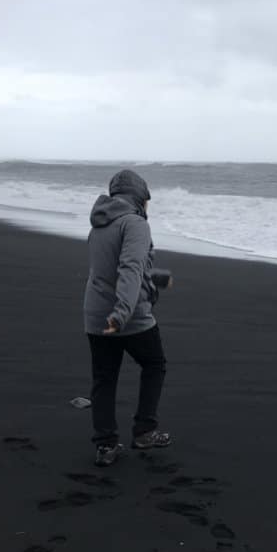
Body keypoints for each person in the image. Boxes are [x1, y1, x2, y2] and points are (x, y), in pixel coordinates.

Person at [83, 169, 173, 467]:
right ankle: (144, 431)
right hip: (128, 316)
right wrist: (120, 314)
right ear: (139, 197)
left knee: (104, 379)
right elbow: (129, 269)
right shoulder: (135, 224)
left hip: (95, 314)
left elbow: (108, 269)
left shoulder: (99, 222)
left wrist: (157, 278)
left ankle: (106, 446)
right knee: (154, 364)